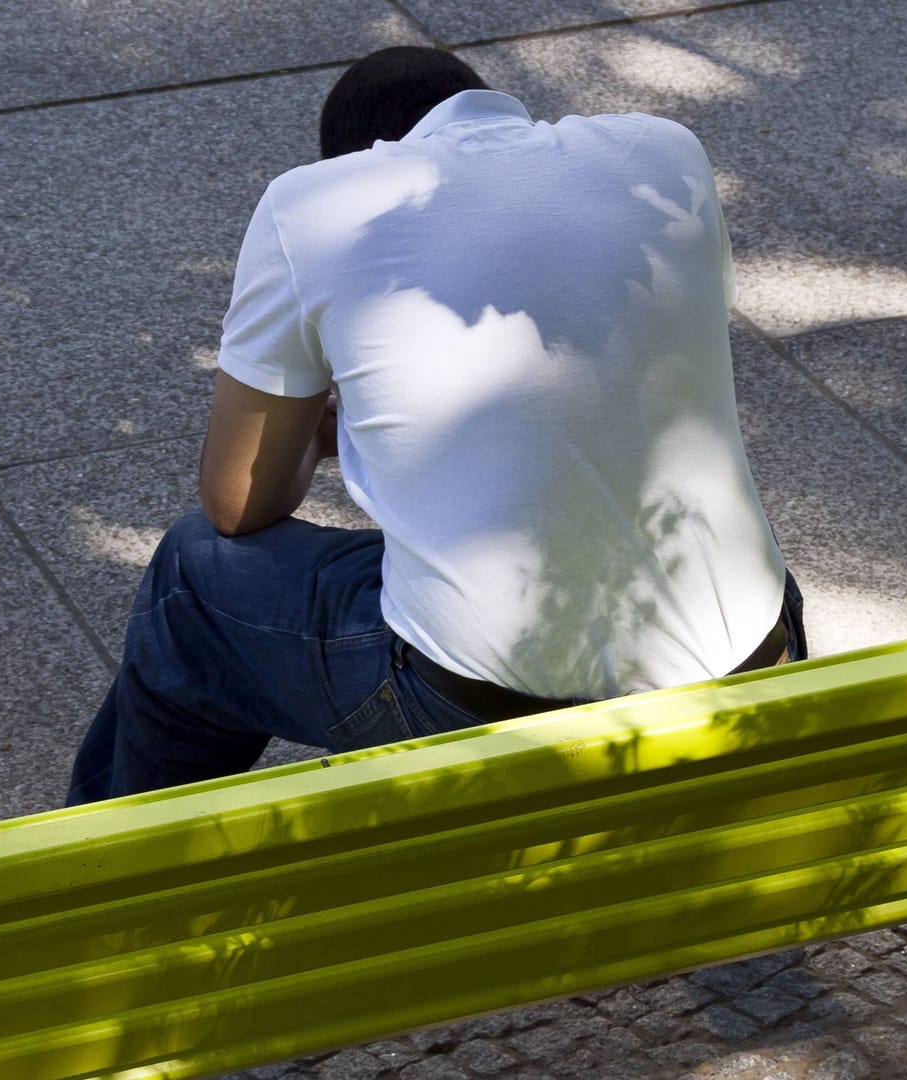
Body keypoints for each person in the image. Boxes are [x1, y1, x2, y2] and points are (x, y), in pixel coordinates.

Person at [65, 46, 806, 806]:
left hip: (476, 707)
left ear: (364, 159)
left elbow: (237, 501)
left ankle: (110, 876)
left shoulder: (312, 206)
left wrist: (323, 431)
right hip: (755, 661)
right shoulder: (665, 148)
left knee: (192, 581)